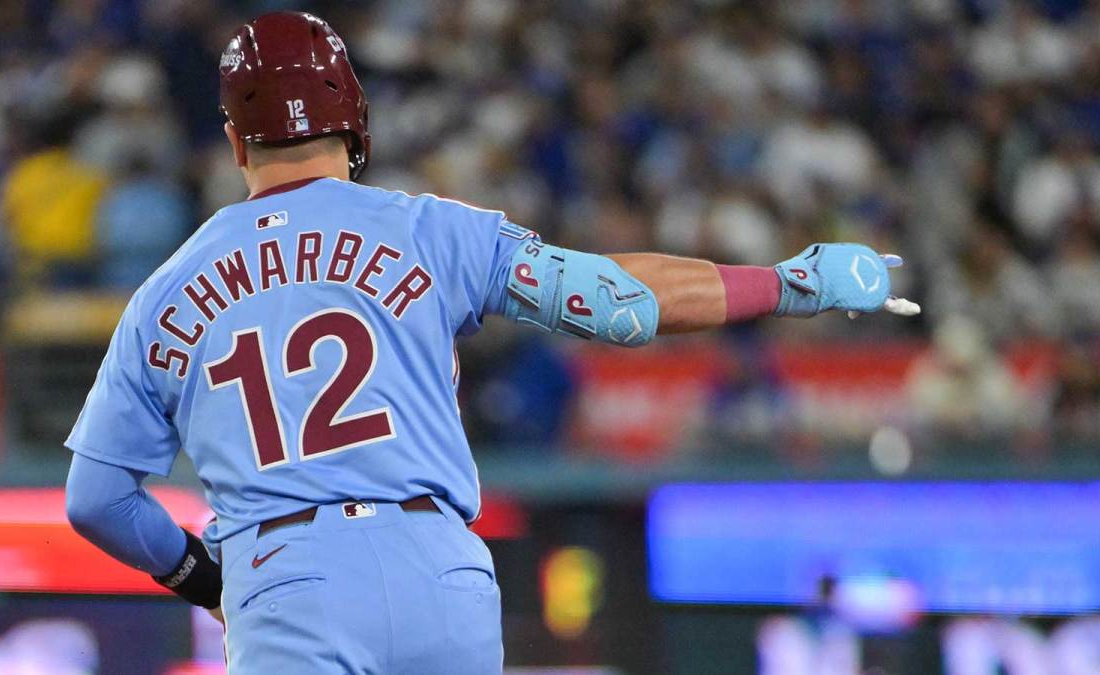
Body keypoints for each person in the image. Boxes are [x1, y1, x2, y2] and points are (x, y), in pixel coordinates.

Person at [63, 12, 918, 674]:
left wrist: (199, 579)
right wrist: (791, 281)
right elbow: (618, 304)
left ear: (234, 140)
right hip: (440, 570)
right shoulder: (430, 228)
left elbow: (97, 498)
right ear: (355, 121)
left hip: (284, 573)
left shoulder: (165, 290)